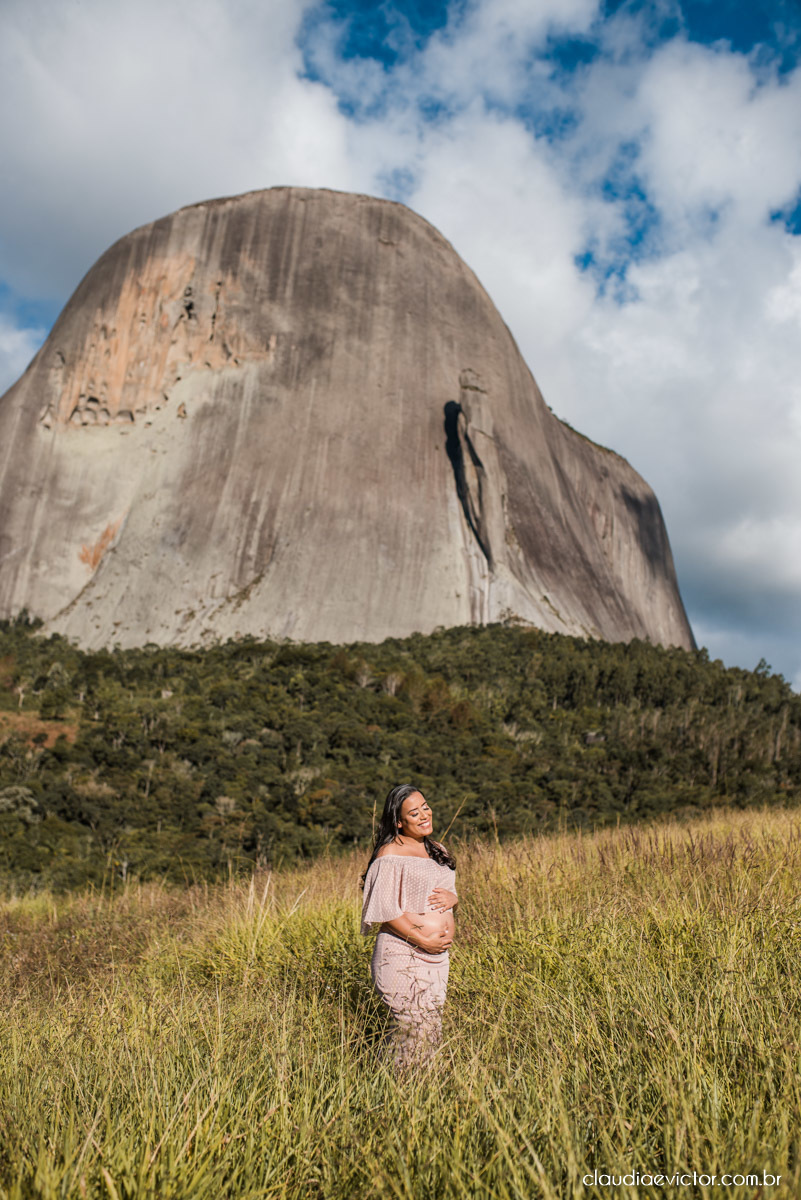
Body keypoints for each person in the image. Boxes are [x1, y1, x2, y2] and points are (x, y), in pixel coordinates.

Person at [360, 783, 458, 1069]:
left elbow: (444, 898)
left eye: (425, 807)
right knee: (413, 1026)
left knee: (430, 1030)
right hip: (402, 954)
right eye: (414, 813)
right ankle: (392, 1087)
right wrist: (422, 939)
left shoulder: (437, 850)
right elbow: (384, 910)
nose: (424, 815)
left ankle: (419, 1094)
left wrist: (455, 898)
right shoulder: (390, 853)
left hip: (437, 958)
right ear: (399, 822)